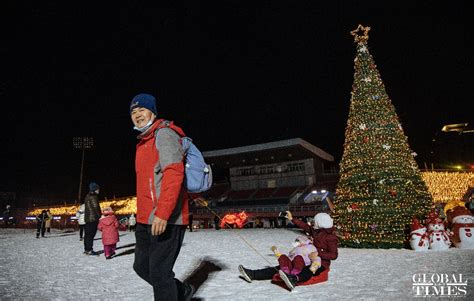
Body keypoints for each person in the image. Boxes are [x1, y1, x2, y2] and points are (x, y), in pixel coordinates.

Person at [129, 93, 194, 300]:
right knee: (141, 266)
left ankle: (174, 292)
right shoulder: (142, 142)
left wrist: (163, 213)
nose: (137, 114)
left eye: (142, 109)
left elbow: (174, 173)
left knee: (159, 273)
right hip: (145, 218)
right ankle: (181, 291)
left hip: (166, 218)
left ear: (153, 112)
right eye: (133, 111)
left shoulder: (164, 134)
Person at [238, 211, 338, 291]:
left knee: (308, 270)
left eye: (315, 221)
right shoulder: (317, 231)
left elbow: (334, 255)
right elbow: (304, 226)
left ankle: (294, 279)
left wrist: (318, 253)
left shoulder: (331, 237)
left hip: (320, 263)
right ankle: (253, 274)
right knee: (281, 267)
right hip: (305, 257)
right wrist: (291, 218)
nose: (313, 223)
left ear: (321, 223)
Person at [83, 182, 101, 255]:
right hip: (93, 219)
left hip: (87, 218)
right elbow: (95, 207)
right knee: (91, 235)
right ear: (94, 189)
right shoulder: (94, 197)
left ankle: (87, 249)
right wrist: (100, 215)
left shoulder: (87, 196)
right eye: (98, 189)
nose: (99, 190)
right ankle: (89, 250)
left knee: (87, 235)